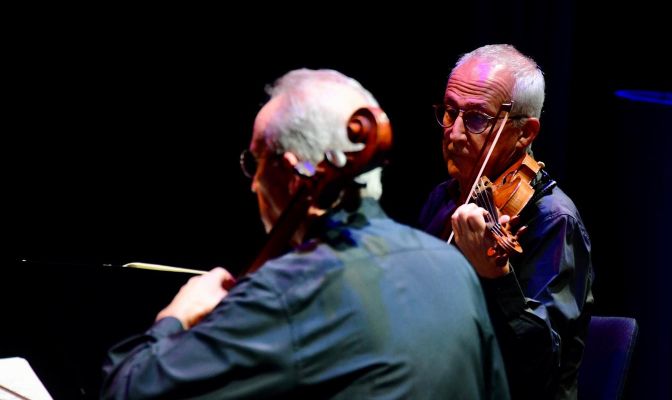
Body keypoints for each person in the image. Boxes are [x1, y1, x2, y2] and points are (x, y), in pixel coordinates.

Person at [101, 68, 509, 399]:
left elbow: (127, 388)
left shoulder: (284, 292)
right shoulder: (453, 269)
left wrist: (177, 314)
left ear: (294, 175)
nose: (253, 183)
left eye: (255, 161)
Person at [419, 44, 594, 400]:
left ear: (525, 133)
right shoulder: (445, 198)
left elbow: (540, 370)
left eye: (477, 119)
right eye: (450, 111)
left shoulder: (552, 220)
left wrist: (495, 276)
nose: (453, 133)